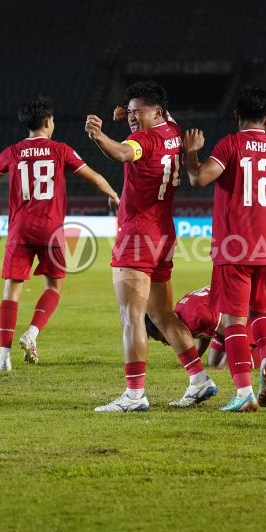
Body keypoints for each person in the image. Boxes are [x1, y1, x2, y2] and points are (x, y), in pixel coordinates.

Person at [85, 81, 217, 412]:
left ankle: (134, 395)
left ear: (155, 112)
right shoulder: (172, 129)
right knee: (160, 314)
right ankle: (199, 380)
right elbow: (154, 118)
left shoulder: (143, 139)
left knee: (131, 316)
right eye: (129, 112)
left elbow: (122, 153)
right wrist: (130, 113)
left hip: (137, 235)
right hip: (162, 233)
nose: (131, 118)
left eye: (136, 112)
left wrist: (99, 135)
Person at [0, 96, 120, 371]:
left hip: (20, 230)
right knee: (54, 287)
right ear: (47, 122)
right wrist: (113, 194)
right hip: (50, 230)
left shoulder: (12, 151)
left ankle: (3, 357)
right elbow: (94, 177)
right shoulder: (60, 150)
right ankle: (32, 332)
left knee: (11, 292)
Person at [184, 86, 266, 412]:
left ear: (236, 115)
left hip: (236, 248)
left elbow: (198, 178)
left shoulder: (230, 145)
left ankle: (244, 391)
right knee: (263, 312)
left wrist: (191, 152)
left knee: (233, 321)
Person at [144, 284, 266, 370]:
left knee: (234, 365)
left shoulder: (195, 316)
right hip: (225, 318)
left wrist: (234, 357)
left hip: (245, 316)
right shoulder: (181, 314)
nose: (167, 342)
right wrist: (195, 358)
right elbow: (204, 332)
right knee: (213, 363)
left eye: (164, 338)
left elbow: (234, 331)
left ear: (164, 327)